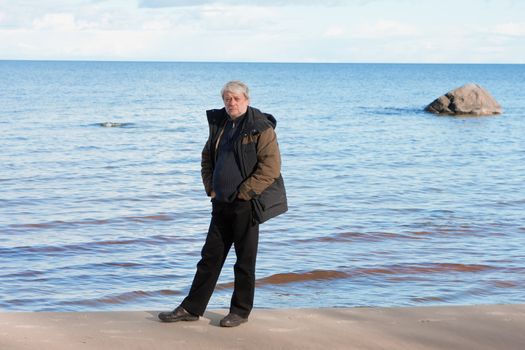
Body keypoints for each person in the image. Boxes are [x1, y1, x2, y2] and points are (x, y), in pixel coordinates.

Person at [159, 80, 287, 327]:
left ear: (246, 100)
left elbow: (270, 167)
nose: (231, 103)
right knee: (209, 258)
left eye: (236, 98)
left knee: (244, 262)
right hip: (220, 205)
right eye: (227, 99)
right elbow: (207, 157)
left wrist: (245, 193)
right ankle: (191, 308)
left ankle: (239, 312)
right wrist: (211, 187)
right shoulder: (220, 126)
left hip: (246, 205)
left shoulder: (260, 128)